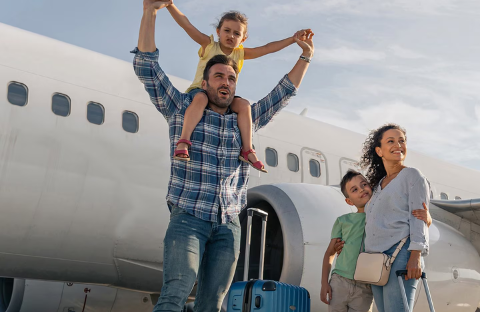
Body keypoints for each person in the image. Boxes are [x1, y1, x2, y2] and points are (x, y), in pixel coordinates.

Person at [133, 1, 314, 310]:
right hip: (189, 217)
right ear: (205, 82)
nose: (225, 83)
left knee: (213, 303)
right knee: (175, 292)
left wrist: (305, 55)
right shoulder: (182, 108)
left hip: (228, 224)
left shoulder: (245, 120)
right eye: (218, 77)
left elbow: (283, 92)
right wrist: (150, 13)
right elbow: (147, 67)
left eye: (231, 78)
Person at [166, 4, 297, 172]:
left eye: (237, 33)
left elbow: (267, 49)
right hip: (200, 91)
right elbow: (187, 25)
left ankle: (247, 149)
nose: (231, 36)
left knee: (244, 105)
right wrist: (170, 5)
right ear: (218, 32)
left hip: (223, 97)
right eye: (227, 30)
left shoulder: (240, 54)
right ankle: (183, 141)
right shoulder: (209, 45)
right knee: (201, 98)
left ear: (243, 39)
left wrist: (293, 39)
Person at [320, 170, 432, 312]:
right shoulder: (343, 221)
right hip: (340, 282)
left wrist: (428, 220)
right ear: (349, 201)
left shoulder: (383, 218)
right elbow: (330, 253)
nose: (361, 190)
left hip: (366, 285)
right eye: (354, 190)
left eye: (364, 185)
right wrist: (325, 283)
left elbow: (406, 225)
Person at [360, 124, 430, 312]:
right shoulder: (378, 185)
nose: (398, 145)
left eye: (402, 141)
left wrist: (415, 254)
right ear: (379, 150)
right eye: (390, 141)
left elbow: (418, 216)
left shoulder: (412, 175)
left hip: (400, 253)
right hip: (376, 259)